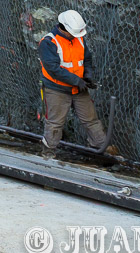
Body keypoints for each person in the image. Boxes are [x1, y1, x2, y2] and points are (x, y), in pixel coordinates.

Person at [39, 9, 120, 161]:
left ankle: (101, 147)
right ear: (64, 27)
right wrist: (78, 81)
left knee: (91, 119)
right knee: (55, 123)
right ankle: (48, 154)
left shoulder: (79, 39)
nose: (77, 36)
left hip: (78, 87)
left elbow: (86, 59)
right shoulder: (49, 43)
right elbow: (54, 69)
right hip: (57, 89)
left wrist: (87, 76)